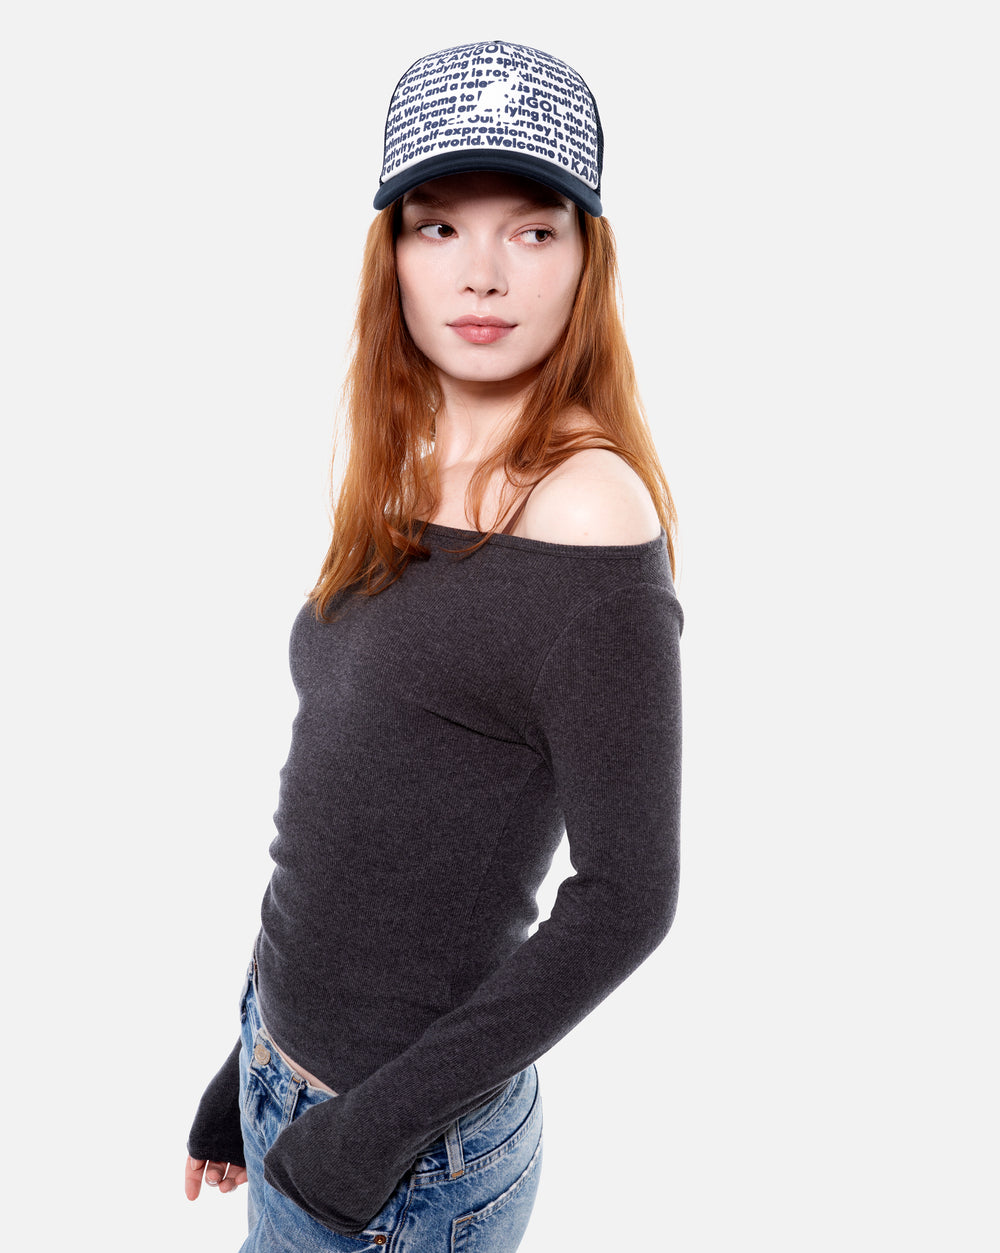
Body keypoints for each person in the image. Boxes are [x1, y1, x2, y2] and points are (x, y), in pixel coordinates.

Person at [185, 38, 683, 1252]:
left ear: (583, 260)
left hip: (402, 1153)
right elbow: (358, 802)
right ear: (392, 254)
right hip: (291, 1075)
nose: (483, 274)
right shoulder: (408, 464)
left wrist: (368, 1128)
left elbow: (628, 897)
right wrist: (246, 1059)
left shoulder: (587, 512)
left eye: (532, 228)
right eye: (437, 225)